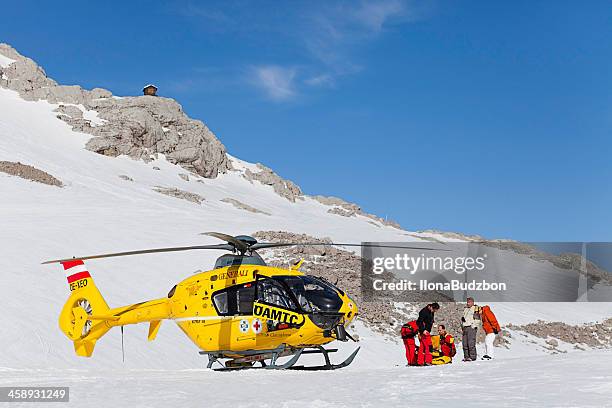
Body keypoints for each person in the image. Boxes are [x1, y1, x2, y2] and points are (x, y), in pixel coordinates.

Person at [461, 297, 480, 361]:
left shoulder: (475, 308)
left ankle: (472, 357)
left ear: (472, 302)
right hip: (465, 327)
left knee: (471, 343)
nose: (468, 303)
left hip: (471, 327)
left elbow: (477, 319)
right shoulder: (465, 309)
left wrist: (473, 326)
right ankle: (466, 357)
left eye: (469, 302)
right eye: (467, 302)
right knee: (464, 343)